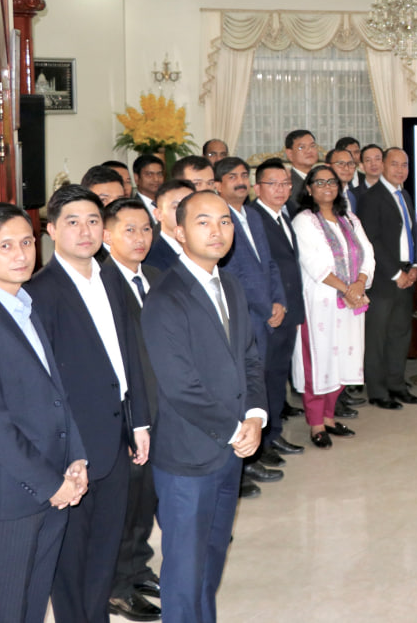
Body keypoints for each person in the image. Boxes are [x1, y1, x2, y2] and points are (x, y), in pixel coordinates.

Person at [0, 203, 88, 623]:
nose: (22, 254)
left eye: (27, 242)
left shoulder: (24, 305)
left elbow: (56, 393)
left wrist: (76, 458)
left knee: (32, 607)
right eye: (5, 246)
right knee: (6, 612)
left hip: (52, 485)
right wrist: (50, 484)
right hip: (7, 501)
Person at [141, 190, 267, 623]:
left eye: (225, 221)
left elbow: (249, 358)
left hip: (230, 450)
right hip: (188, 457)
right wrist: (235, 429)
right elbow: (180, 386)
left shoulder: (229, 284)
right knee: (184, 567)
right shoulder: (166, 296)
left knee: (212, 557)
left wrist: (256, 416)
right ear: (178, 231)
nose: (217, 231)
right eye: (203, 222)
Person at [25, 185, 148, 623]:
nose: (85, 231)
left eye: (93, 221)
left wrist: (139, 422)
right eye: (73, 222)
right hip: (72, 448)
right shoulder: (39, 292)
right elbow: (42, 385)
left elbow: (130, 354)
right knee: (71, 558)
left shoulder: (112, 277)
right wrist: (63, 453)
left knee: (105, 552)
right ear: (51, 230)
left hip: (116, 437)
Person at [100, 198, 163, 622]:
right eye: (129, 230)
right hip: (128, 416)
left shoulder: (155, 277)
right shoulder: (101, 284)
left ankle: (138, 569)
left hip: (159, 410)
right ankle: (117, 589)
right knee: (124, 506)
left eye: (145, 229)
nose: (140, 238)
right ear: (107, 236)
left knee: (145, 499)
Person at [214, 157, 288, 488]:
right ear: (218, 185)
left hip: (267, 312)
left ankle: (265, 443)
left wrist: (279, 300)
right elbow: (233, 273)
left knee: (266, 381)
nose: (240, 181)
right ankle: (245, 463)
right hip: (245, 317)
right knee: (245, 388)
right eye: (232, 176)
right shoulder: (220, 220)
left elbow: (269, 263)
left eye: (244, 175)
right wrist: (265, 306)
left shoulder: (253, 215)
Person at [292, 165, 373, 445]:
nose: (327, 187)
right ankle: (316, 425)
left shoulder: (349, 218)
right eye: (320, 182)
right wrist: (348, 289)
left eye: (332, 182)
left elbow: (368, 253)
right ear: (309, 189)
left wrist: (359, 283)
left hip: (351, 304)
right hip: (320, 305)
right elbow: (314, 264)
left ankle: (329, 418)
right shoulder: (304, 221)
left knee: (341, 360)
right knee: (319, 362)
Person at [249, 158, 314, 451]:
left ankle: (274, 433)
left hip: (289, 309)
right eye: (272, 184)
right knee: (263, 378)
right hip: (269, 313)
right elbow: (255, 270)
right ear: (257, 187)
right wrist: (271, 305)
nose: (280, 189)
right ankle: (263, 442)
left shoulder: (284, 215)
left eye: (285, 183)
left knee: (277, 376)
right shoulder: (253, 218)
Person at [358, 147, 417, 410]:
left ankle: (397, 384)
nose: (400, 170)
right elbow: (372, 241)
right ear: (383, 165)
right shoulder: (372, 197)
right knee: (377, 337)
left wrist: (414, 266)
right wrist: (396, 273)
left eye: (404, 165)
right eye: (394, 164)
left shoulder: (404, 194)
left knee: (400, 333)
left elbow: (410, 234)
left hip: (406, 274)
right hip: (385, 279)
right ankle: (378, 390)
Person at [142, 178, 194, 271]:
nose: (186, 212)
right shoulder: (149, 259)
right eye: (176, 207)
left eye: (192, 206)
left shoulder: (207, 247)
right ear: (159, 214)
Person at [283, 129, 319, 206]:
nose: (309, 151)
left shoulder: (321, 178)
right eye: (301, 147)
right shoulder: (288, 184)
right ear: (290, 154)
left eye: (312, 146)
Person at [326, 147, 361, 212]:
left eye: (350, 163)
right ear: (328, 167)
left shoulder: (353, 196)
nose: (346, 168)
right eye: (341, 164)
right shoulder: (322, 195)